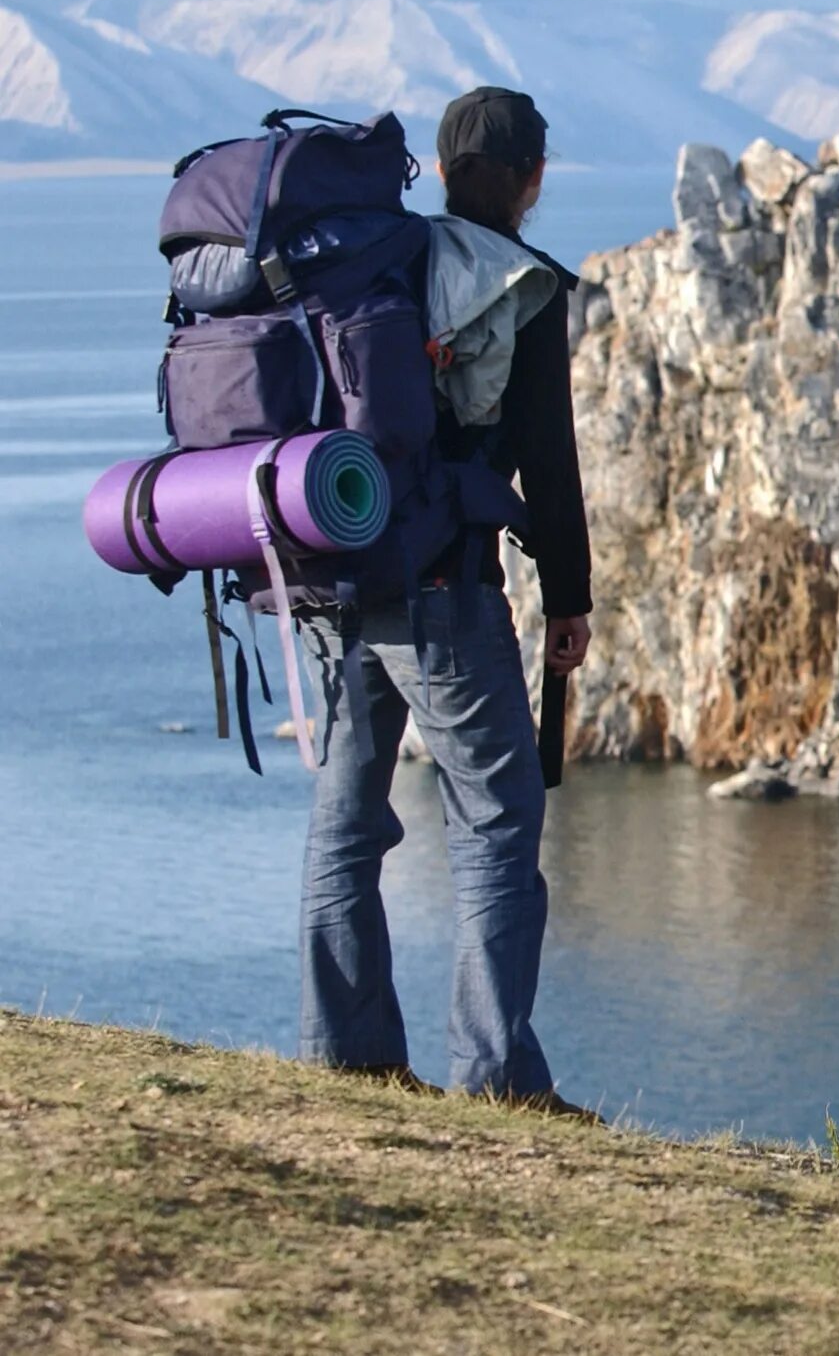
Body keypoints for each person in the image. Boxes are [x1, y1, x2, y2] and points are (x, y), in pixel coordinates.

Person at [295, 87, 596, 1117]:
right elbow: (548, 463)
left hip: (339, 581)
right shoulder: (517, 286)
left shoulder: (375, 261)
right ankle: (496, 1074)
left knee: (345, 823)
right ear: (531, 179)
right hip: (445, 597)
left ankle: (347, 1055)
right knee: (498, 822)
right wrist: (570, 597)